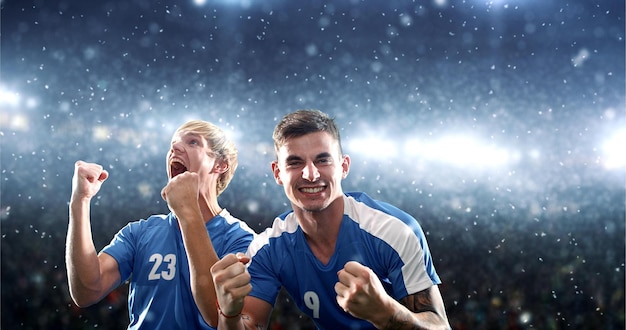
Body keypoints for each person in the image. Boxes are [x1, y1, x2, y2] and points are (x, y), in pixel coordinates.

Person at [210, 109, 450, 329]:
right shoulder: (267, 248)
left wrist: (383, 312)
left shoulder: (394, 231)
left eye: (322, 160)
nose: (311, 174)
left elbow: (440, 326)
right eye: (295, 162)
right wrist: (229, 314)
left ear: (344, 166)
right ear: (277, 173)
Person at [65, 120, 255, 329]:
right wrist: (80, 201)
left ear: (220, 164)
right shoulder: (139, 232)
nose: (175, 148)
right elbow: (86, 291)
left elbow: (217, 315)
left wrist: (188, 212)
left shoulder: (242, 239)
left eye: (193, 142)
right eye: (173, 143)